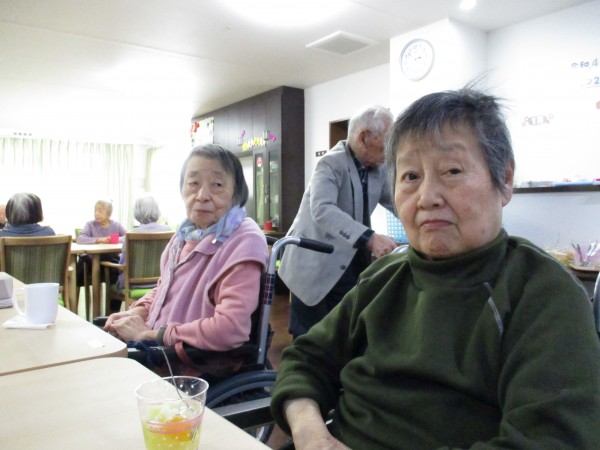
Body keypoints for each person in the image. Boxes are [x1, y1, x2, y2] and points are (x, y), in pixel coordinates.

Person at [270, 87, 600, 449]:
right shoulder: (381, 279)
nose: (426, 198)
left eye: (452, 170)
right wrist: (312, 434)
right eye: (410, 176)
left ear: (505, 179)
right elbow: (305, 358)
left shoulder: (541, 294)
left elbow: (551, 438)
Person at [103, 145, 268, 364]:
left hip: (189, 365)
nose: (202, 196)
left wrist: (150, 334)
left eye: (217, 185)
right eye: (193, 183)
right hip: (159, 352)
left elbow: (230, 329)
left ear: (236, 194)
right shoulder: (183, 235)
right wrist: (139, 312)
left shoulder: (243, 240)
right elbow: (165, 289)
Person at [279, 105, 398, 339]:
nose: (391, 149)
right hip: (312, 264)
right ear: (364, 137)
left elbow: (396, 201)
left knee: (342, 333)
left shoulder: (379, 168)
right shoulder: (331, 163)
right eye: (387, 141)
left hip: (347, 262)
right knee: (310, 338)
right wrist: (370, 238)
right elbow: (322, 209)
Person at [116, 194, 171, 291]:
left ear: (137, 212)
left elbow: (121, 266)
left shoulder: (130, 235)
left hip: (132, 285)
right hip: (161, 283)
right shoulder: (168, 231)